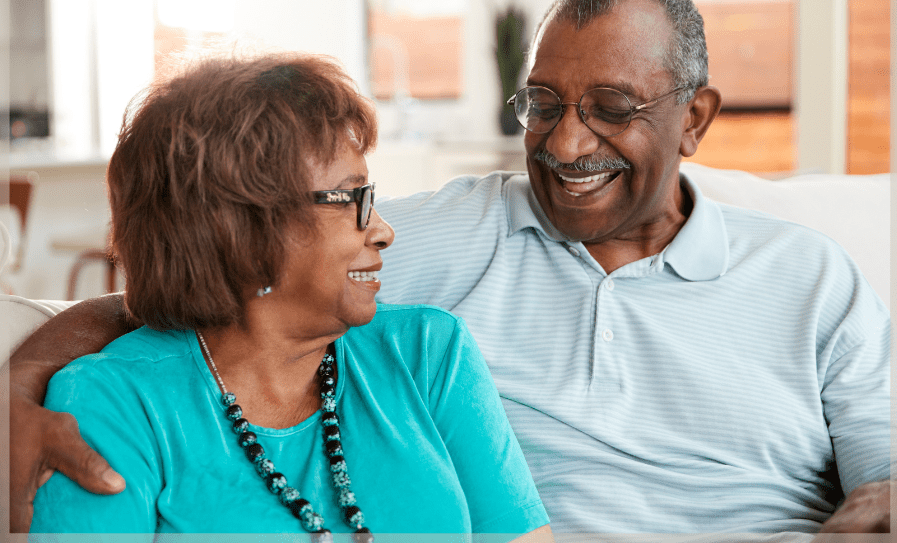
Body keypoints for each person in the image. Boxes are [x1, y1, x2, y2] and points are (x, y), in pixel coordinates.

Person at [9, 0, 892, 537]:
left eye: (612, 107)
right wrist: (16, 387)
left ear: (694, 118)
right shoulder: (457, 235)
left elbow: (882, 468)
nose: (566, 143)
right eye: (542, 102)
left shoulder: (810, 276)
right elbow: (241, 277)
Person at [21, 50, 552, 540]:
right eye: (351, 200)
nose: (384, 229)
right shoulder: (113, 403)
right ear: (245, 230)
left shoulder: (428, 354)